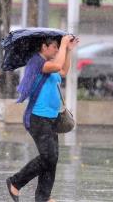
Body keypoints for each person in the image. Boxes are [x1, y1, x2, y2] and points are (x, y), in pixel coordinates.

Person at [6, 35, 79, 202]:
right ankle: (15, 182)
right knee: (48, 157)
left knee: (52, 158)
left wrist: (67, 50)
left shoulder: (50, 65)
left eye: (56, 47)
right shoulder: (37, 62)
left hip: (51, 119)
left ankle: (43, 197)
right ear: (44, 47)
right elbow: (57, 65)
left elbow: (63, 70)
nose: (55, 49)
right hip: (38, 118)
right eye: (54, 46)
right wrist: (64, 46)